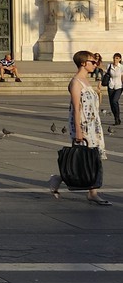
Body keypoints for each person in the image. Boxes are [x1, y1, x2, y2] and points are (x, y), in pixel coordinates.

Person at [52, 49, 109, 204]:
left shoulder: (86, 81)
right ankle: (92, 192)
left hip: (93, 124)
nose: (95, 64)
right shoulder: (76, 82)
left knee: (91, 158)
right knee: (90, 159)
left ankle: (61, 179)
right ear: (83, 64)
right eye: (92, 62)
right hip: (83, 125)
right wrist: (78, 130)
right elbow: (76, 108)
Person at [107, 53, 123, 127]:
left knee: (114, 101)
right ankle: (116, 118)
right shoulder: (109, 66)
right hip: (111, 85)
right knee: (111, 103)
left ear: (120, 59)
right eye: (114, 58)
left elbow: (122, 77)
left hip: (119, 86)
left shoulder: (121, 67)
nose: (115, 60)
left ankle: (117, 118)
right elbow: (107, 74)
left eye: (117, 58)